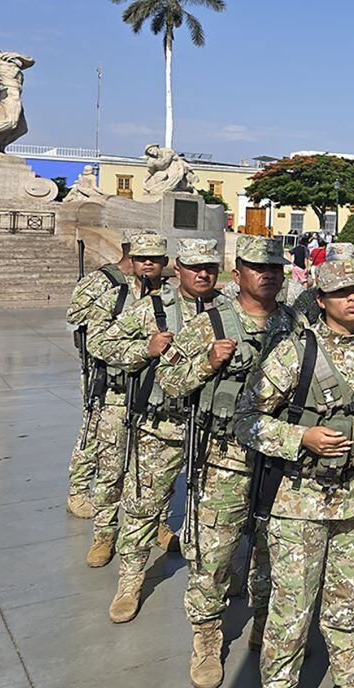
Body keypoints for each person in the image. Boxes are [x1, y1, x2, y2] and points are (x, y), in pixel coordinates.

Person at [237, 259, 354, 688]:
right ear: (322, 299)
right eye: (342, 292)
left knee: (345, 603)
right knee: (292, 610)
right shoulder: (295, 350)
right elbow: (246, 419)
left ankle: (349, 676)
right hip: (300, 502)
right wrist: (301, 437)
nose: (353, 298)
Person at [159, 235, 293, 687]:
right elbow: (170, 380)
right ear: (239, 274)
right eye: (258, 267)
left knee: (273, 551)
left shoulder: (295, 324)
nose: (269, 274)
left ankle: (264, 623)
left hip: (277, 461)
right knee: (211, 557)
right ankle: (206, 637)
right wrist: (207, 364)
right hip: (223, 461)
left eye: (275, 267)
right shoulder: (210, 323)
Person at [101, 238, 226, 625]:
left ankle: (217, 577)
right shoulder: (153, 308)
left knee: (215, 512)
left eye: (210, 266)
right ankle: (130, 580)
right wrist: (146, 350)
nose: (203, 273)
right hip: (162, 426)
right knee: (142, 506)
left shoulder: (229, 309)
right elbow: (103, 344)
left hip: (214, 428)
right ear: (178, 269)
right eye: (194, 267)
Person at [82, 232, 169, 567]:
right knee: (110, 468)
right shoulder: (114, 298)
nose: (148, 263)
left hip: (159, 399)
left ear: (164, 262)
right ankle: (104, 534)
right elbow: (98, 344)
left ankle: (157, 524)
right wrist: (142, 351)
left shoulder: (176, 300)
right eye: (142, 258)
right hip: (118, 397)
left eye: (155, 258)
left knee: (154, 470)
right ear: (131, 262)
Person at [65, 230, 137, 519]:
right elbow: (74, 315)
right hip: (101, 372)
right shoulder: (99, 281)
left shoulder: (148, 284)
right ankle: (78, 491)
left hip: (133, 372)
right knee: (93, 432)